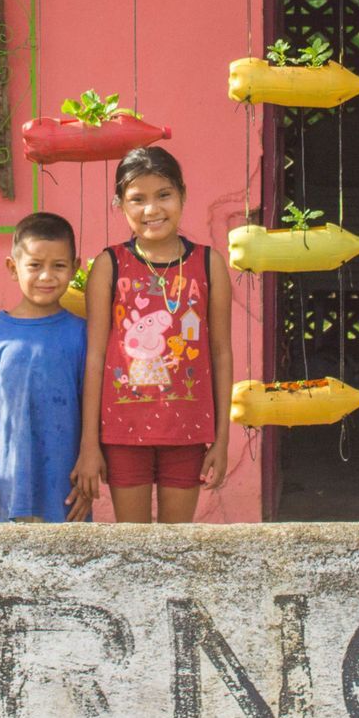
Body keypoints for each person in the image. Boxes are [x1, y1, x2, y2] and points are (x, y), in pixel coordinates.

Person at [70, 147, 233, 523]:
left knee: (176, 547)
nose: (151, 209)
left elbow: (222, 354)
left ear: (183, 195)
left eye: (163, 195)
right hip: (123, 434)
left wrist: (222, 440)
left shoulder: (210, 264)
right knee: (134, 547)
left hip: (188, 432)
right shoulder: (109, 265)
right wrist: (89, 444)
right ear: (120, 205)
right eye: (137, 199)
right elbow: (95, 357)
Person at [0, 212, 93, 524]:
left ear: (75, 268)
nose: (47, 276)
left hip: (66, 490)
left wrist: (89, 465)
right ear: (12, 268)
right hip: (5, 490)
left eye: (58, 266)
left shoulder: (81, 334)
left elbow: (93, 405)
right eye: (34, 265)